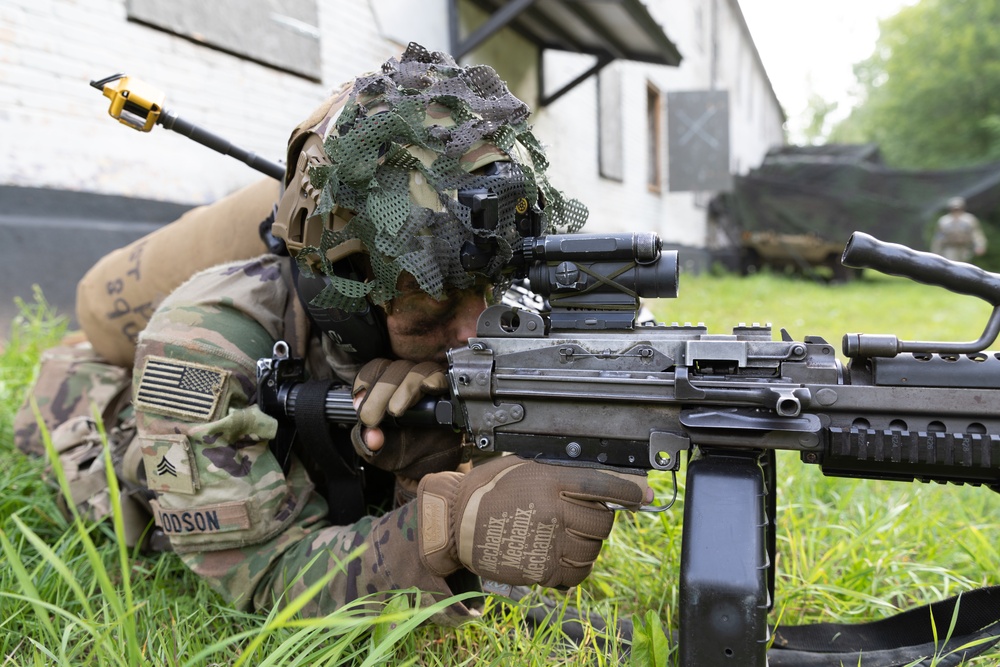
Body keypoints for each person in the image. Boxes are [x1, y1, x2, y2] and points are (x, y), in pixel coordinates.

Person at [16, 43, 648, 625]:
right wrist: (441, 527)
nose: (470, 331)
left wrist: (443, 457)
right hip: (88, 408)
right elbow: (262, 578)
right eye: (430, 307)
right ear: (344, 286)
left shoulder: (457, 288)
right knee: (124, 475)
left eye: (485, 292)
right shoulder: (203, 341)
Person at [931, 196, 988, 262]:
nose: (956, 210)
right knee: (951, 265)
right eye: (954, 208)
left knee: (965, 266)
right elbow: (939, 237)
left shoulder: (969, 219)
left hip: (964, 248)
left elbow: (976, 234)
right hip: (950, 248)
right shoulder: (944, 221)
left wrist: (980, 245)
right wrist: (936, 252)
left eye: (958, 208)